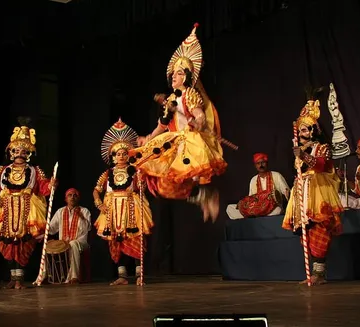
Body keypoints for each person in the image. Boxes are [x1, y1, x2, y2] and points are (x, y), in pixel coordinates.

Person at [132, 23, 227, 222]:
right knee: (166, 186)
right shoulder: (170, 101)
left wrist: (199, 121)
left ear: (186, 77)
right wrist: (148, 138)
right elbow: (163, 125)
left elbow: (199, 114)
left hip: (191, 141)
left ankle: (206, 194)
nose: (174, 76)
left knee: (191, 173)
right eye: (173, 74)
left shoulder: (189, 94)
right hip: (175, 142)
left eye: (179, 73)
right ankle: (203, 197)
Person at [0, 117, 57, 289]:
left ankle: (20, 279)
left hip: (27, 208)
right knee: (6, 242)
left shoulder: (34, 170)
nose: (20, 153)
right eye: (17, 150)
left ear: (28, 154)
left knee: (24, 242)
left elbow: (43, 187)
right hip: (6, 208)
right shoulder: (3, 170)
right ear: (11, 152)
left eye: (24, 151)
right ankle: (12, 277)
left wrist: (51, 184)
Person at [282, 97, 343, 286]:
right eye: (300, 128)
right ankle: (313, 273)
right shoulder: (298, 151)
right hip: (302, 193)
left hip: (318, 192)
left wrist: (304, 156)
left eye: (305, 128)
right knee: (305, 234)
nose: (302, 132)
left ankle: (319, 274)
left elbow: (323, 165)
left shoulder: (322, 148)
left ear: (313, 131)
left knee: (320, 231)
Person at [93, 118, 154, 286]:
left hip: (132, 208)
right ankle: (122, 276)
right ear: (113, 157)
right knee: (116, 241)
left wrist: (142, 182)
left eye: (124, 153)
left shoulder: (135, 171)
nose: (121, 156)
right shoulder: (107, 174)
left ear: (129, 155)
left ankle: (139, 275)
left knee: (135, 239)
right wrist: (99, 203)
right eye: (118, 153)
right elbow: (96, 190)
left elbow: (143, 188)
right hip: (112, 210)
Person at [226, 153, 290, 219]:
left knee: (277, 210)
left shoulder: (276, 175)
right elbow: (250, 198)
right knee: (229, 208)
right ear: (255, 166)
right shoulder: (253, 180)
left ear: (267, 163)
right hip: (256, 208)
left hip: (273, 207)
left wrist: (287, 193)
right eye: (258, 163)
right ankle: (255, 214)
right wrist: (242, 204)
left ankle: (255, 215)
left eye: (263, 162)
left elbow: (286, 191)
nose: (261, 165)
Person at [48, 188, 91, 284]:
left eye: (75, 195)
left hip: (81, 243)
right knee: (47, 245)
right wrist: (43, 226)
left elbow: (87, 228)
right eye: (70, 195)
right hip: (63, 243)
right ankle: (43, 276)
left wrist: (81, 217)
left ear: (78, 198)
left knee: (73, 243)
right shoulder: (60, 211)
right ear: (65, 199)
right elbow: (51, 229)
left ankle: (74, 277)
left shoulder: (84, 211)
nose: (72, 197)